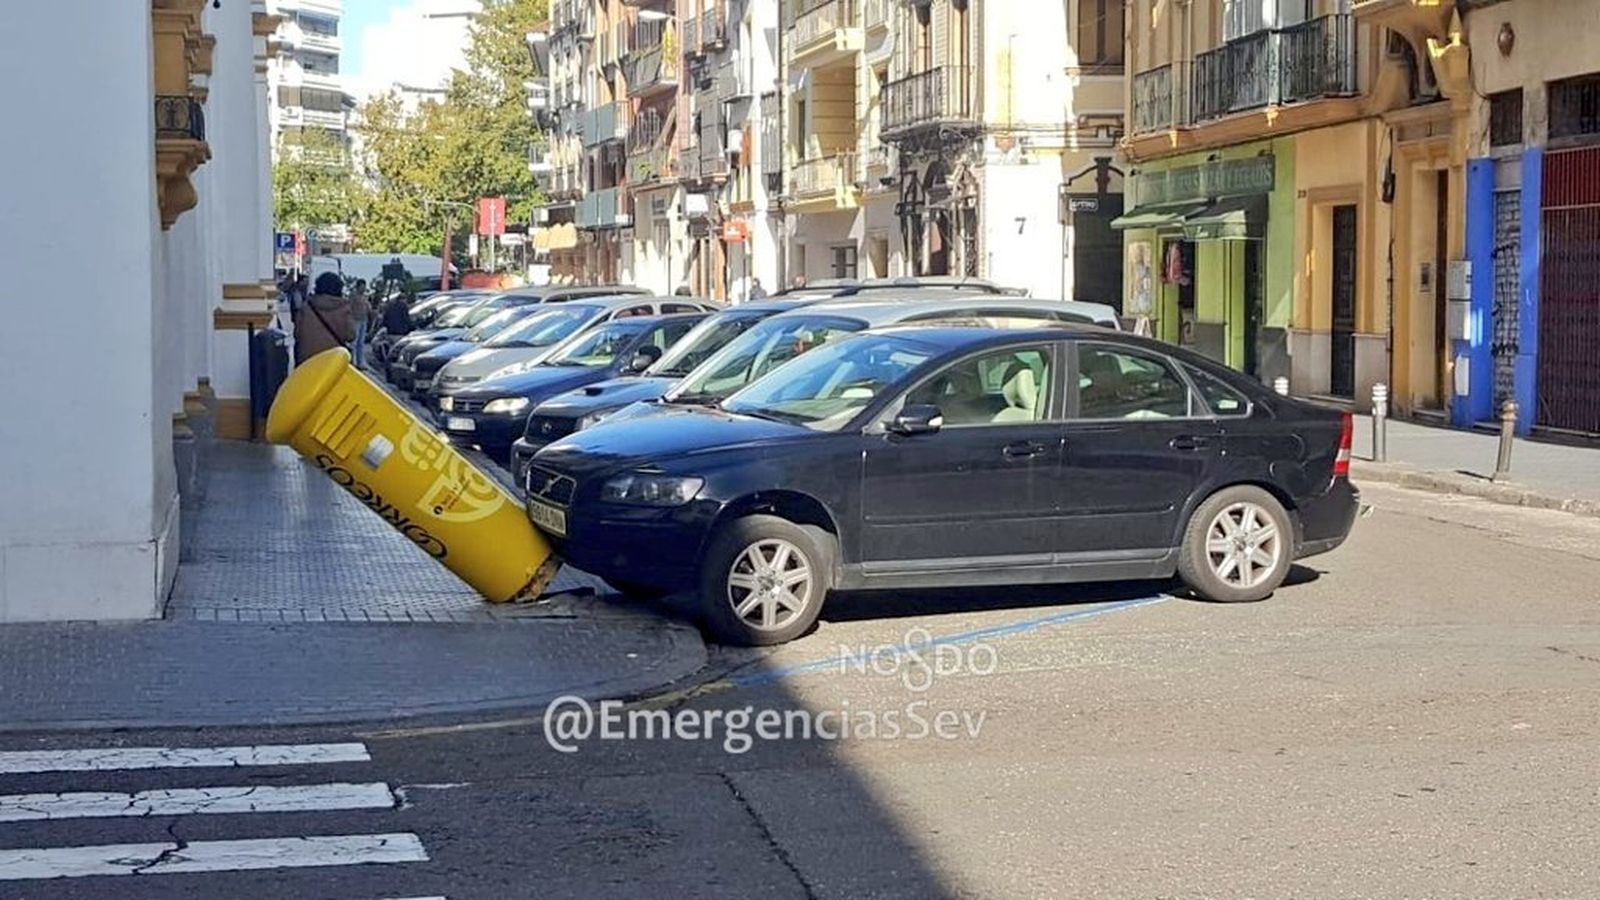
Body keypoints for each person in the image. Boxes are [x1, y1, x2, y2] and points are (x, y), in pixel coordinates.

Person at [294, 272, 356, 365]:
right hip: (333, 362)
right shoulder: (344, 309)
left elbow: (297, 334)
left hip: (307, 362)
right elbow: (351, 336)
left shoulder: (306, 307)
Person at [348, 279, 372, 368]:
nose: (363, 289)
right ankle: (352, 361)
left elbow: (368, 308)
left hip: (363, 320)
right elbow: (349, 307)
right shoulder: (353, 296)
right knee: (354, 342)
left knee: (361, 343)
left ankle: (360, 362)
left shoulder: (365, 297)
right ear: (358, 287)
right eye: (362, 287)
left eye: (364, 287)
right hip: (355, 320)